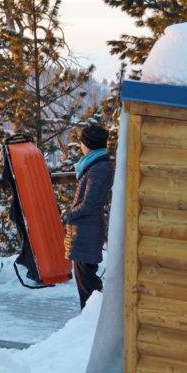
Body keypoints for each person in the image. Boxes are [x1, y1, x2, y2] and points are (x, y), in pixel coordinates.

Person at [62, 125, 114, 310]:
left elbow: (89, 203)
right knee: (85, 277)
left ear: (88, 144)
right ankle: (90, 316)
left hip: (87, 230)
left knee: (87, 281)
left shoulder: (98, 168)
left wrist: (70, 215)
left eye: (82, 143)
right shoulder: (95, 165)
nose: (81, 146)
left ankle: (91, 318)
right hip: (85, 229)